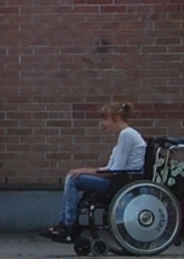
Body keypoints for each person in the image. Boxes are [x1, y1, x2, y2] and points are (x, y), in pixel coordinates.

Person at [49, 101, 147, 244]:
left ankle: (68, 225)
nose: (103, 123)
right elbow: (111, 168)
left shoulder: (127, 135)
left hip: (121, 182)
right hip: (120, 179)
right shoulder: (126, 135)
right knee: (73, 176)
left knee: (73, 179)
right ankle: (65, 223)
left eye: (105, 119)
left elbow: (115, 170)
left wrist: (84, 171)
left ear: (116, 117)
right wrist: (85, 171)